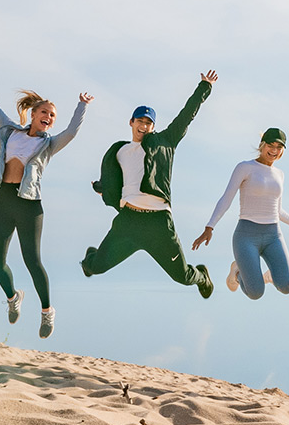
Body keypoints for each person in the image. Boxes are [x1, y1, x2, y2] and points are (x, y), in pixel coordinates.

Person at [0, 59, 91, 338]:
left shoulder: (48, 145)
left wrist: (81, 106)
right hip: (3, 198)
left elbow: (72, 132)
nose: (49, 117)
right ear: (33, 113)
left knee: (32, 261)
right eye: (45, 112)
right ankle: (13, 297)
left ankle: (47, 312)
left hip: (29, 205)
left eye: (52, 115)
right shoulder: (11, 130)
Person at [81, 71, 219, 297]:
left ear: (153, 126)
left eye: (148, 123)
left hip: (158, 223)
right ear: (131, 122)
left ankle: (202, 276)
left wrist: (204, 88)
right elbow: (111, 178)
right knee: (94, 267)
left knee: (182, 276)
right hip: (129, 221)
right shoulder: (119, 150)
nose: (144, 126)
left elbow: (186, 116)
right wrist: (102, 188)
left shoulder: (166, 142)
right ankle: (91, 258)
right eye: (140, 121)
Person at [191, 128, 289, 299]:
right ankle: (237, 272)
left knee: (287, 287)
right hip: (246, 236)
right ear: (262, 145)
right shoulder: (245, 167)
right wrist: (209, 227)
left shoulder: (280, 174)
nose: (274, 151)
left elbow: (277, 209)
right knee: (255, 293)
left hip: (273, 236)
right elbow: (226, 198)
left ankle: (267, 276)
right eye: (271, 145)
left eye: (279, 147)